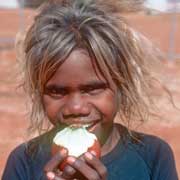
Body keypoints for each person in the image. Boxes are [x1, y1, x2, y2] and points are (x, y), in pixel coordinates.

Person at [2, 0, 178, 180]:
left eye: (93, 89)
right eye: (57, 92)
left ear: (121, 85)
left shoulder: (153, 157)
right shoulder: (24, 162)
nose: (76, 108)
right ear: (40, 94)